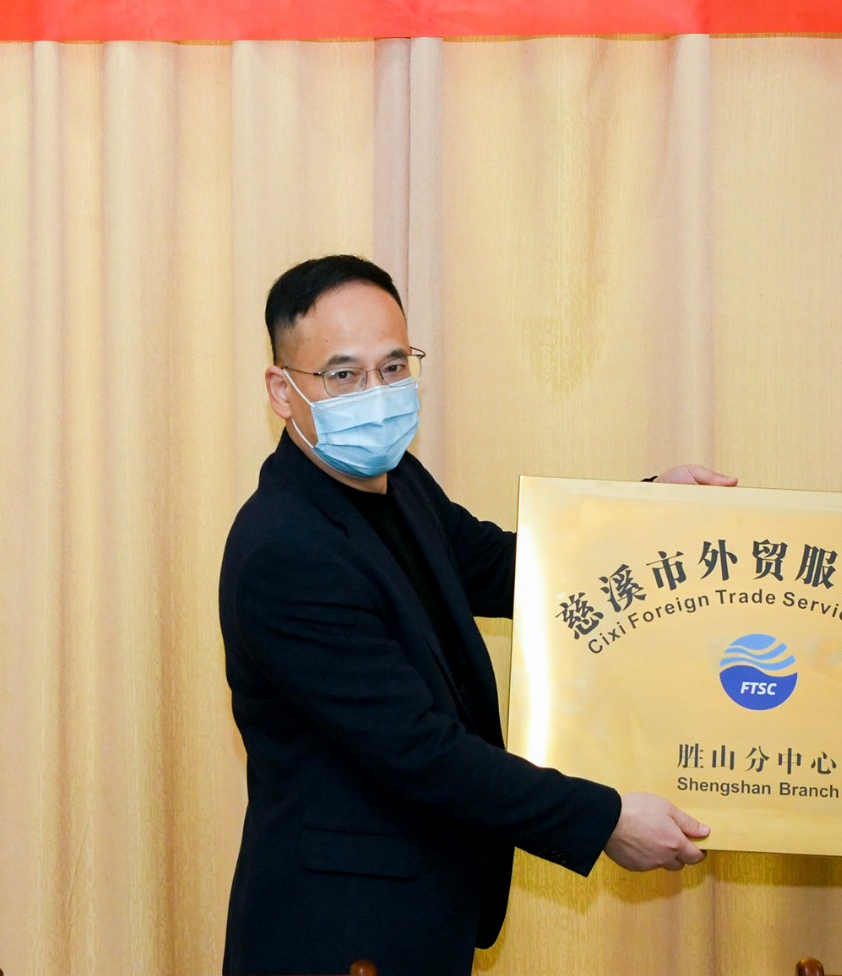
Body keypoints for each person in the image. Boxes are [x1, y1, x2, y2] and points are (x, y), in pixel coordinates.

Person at [217, 255, 726, 976]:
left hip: (424, 909)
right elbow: (421, 750)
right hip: (339, 931)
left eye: (394, 367)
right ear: (282, 389)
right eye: (344, 374)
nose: (377, 395)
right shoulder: (286, 550)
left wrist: (650, 514)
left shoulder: (394, 480)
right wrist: (604, 818)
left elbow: (505, 566)